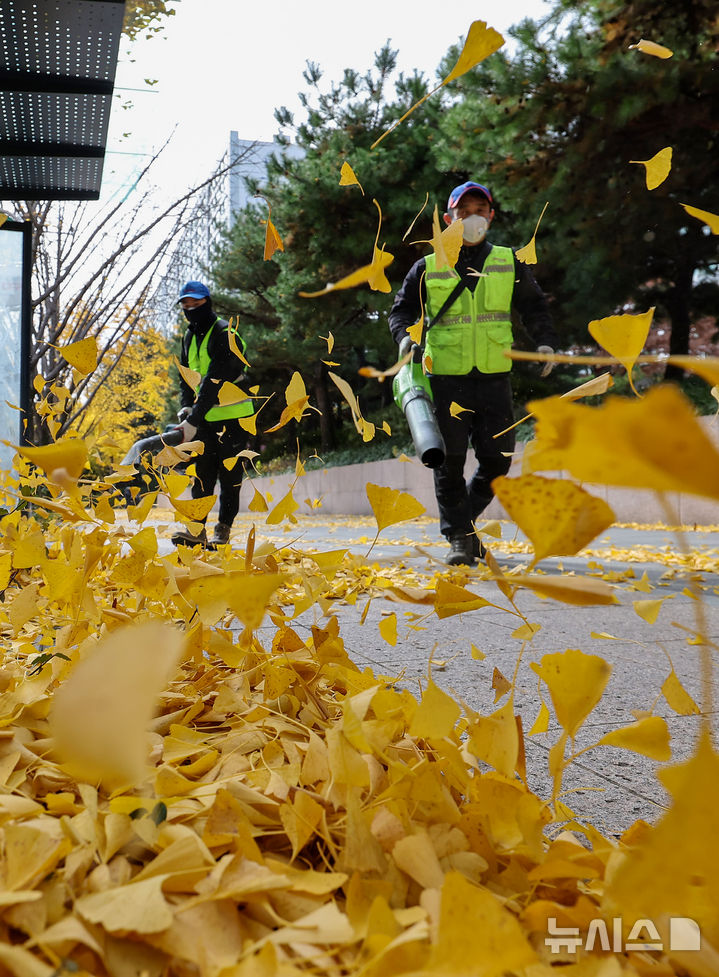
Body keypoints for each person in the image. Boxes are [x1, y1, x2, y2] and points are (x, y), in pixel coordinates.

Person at [388, 181, 558, 566]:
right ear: (449, 218)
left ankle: (463, 527)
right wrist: (404, 339)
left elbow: (535, 308)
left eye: (479, 210)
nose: (471, 218)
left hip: (495, 378)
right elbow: (400, 314)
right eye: (463, 212)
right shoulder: (428, 266)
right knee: (448, 461)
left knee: (498, 462)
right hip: (445, 379)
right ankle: (460, 541)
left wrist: (545, 341)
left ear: (491, 217)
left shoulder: (507, 260)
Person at [171, 281, 254, 548]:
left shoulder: (224, 334)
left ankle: (223, 529)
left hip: (235, 418)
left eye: (196, 303)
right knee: (201, 476)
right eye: (186, 304)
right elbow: (186, 377)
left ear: (208, 302)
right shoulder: (189, 337)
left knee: (230, 479)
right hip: (204, 419)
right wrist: (186, 407)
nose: (191, 308)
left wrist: (193, 420)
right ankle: (196, 530)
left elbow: (214, 380)